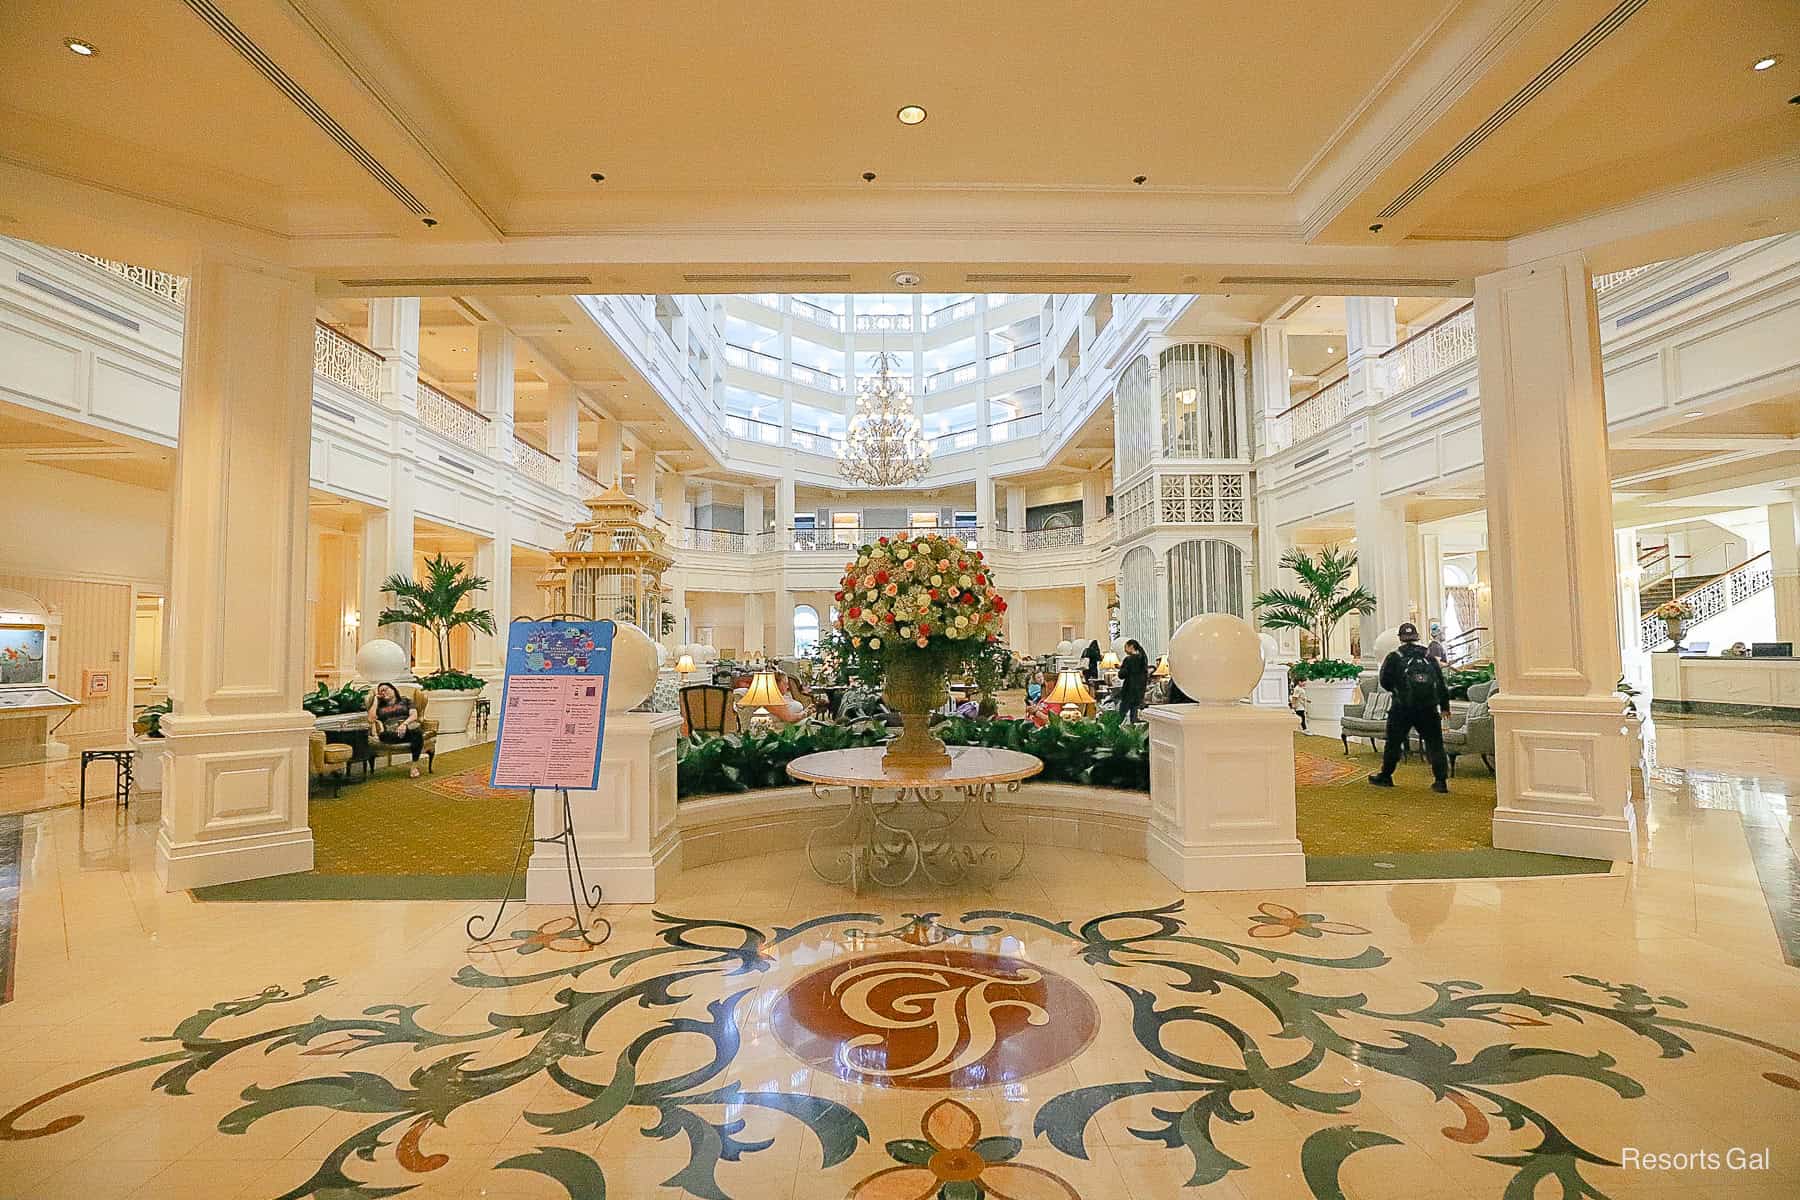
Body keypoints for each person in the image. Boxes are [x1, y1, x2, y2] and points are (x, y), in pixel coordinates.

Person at [1368, 621, 1452, 794]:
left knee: (1393, 742)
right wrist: (1444, 706)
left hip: (1402, 708)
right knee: (1435, 744)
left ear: (1400, 638)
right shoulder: (1428, 656)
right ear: (1417, 637)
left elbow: (1384, 681)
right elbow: (1440, 682)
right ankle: (1440, 781)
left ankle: (1386, 776)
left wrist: (1398, 690)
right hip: (1428, 708)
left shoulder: (1394, 657)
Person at [368, 682, 426, 778]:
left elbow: (414, 715)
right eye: (380, 692)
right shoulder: (380, 706)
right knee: (382, 735)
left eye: (385, 689)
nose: (383, 693)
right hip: (391, 733)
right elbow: (370, 719)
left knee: (417, 733)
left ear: (393, 690)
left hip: (406, 729)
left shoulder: (405, 700)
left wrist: (404, 724)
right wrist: (375, 700)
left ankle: (414, 767)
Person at [1116, 639, 1149, 722]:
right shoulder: (1143, 659)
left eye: (1125, 647)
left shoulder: (1128, 659)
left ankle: (1116, 730)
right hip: (1139, 690)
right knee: (1134, 713)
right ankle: (1133, 730)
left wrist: (1120, 669)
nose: (1124, 650)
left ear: (1131, 647)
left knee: (1122, 713)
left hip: (1128, 690)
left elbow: (1121, 675)